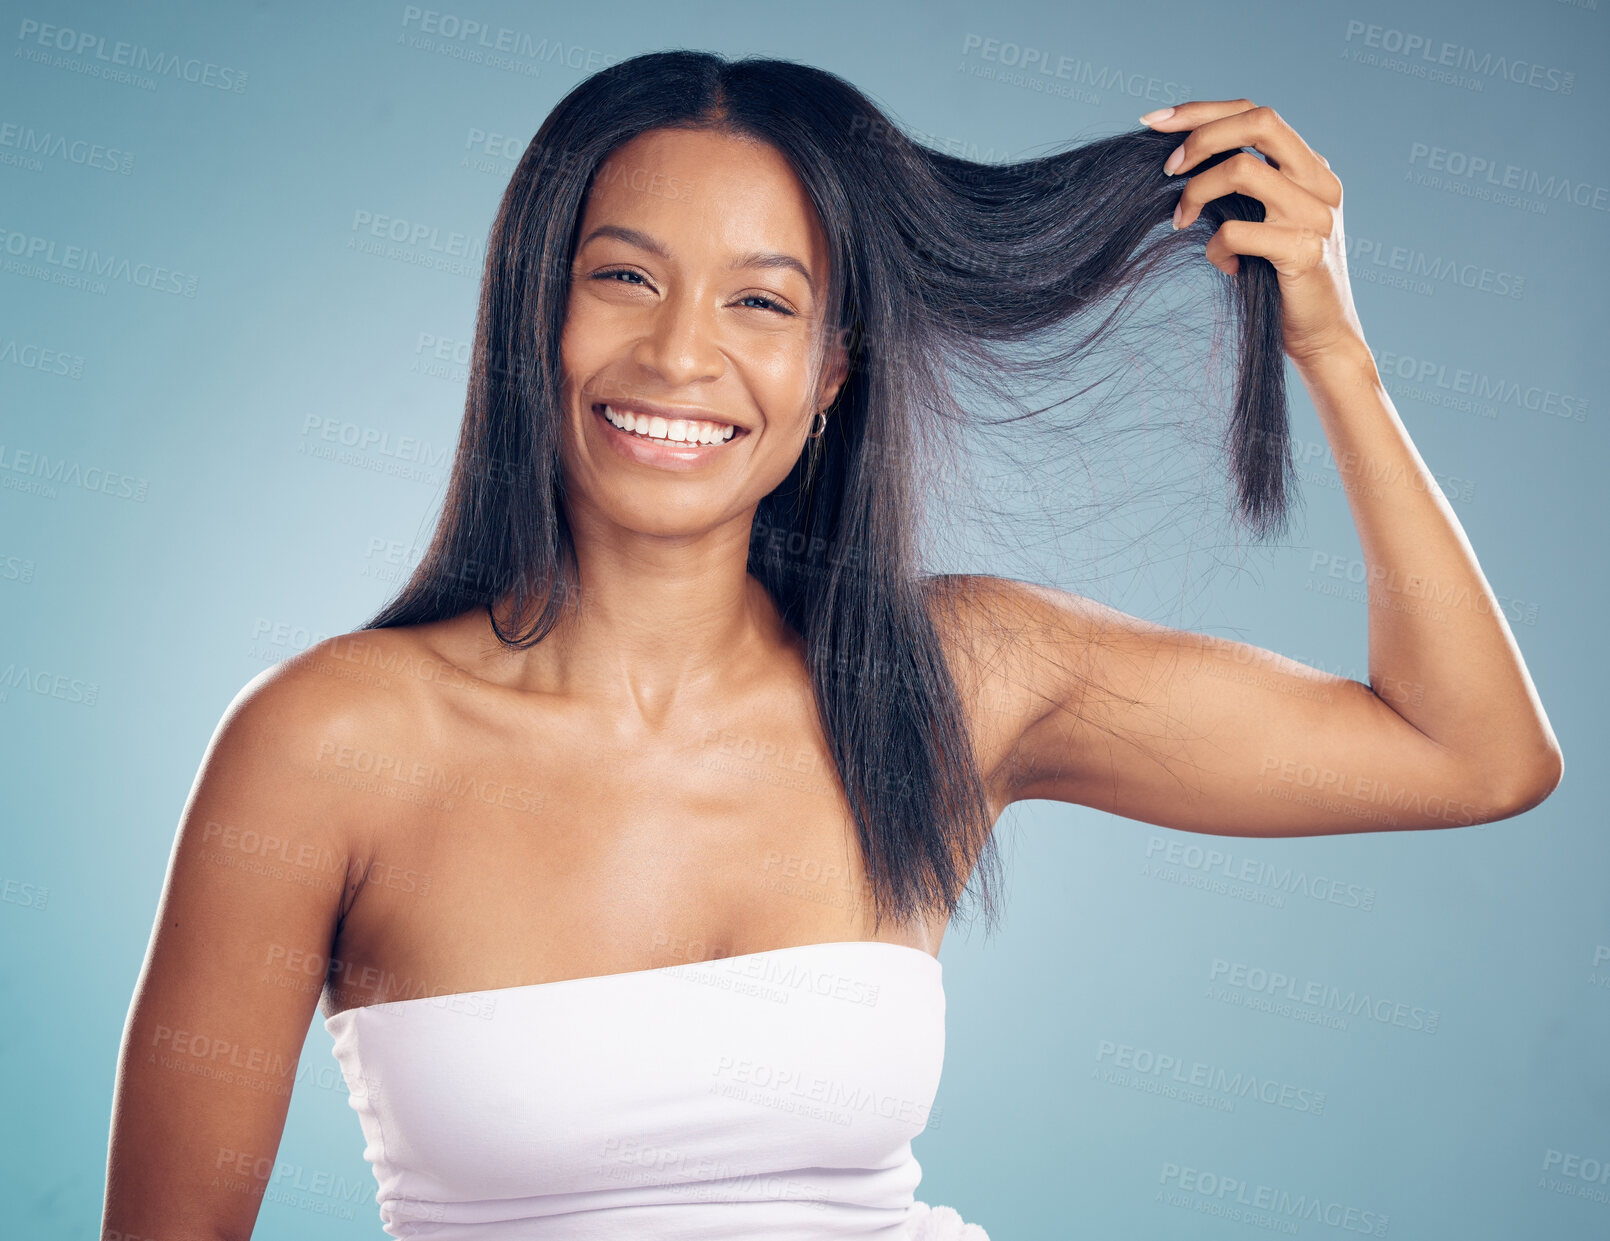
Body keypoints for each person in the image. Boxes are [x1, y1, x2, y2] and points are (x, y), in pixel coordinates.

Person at [100, 50, 1561, 1241]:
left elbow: (1469, 752)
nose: (680, 357)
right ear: (528, 315)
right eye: (622, 277)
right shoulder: (328, 742)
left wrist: (1331, 348)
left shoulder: (954, 679)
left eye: (761, 301)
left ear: (828, 376)